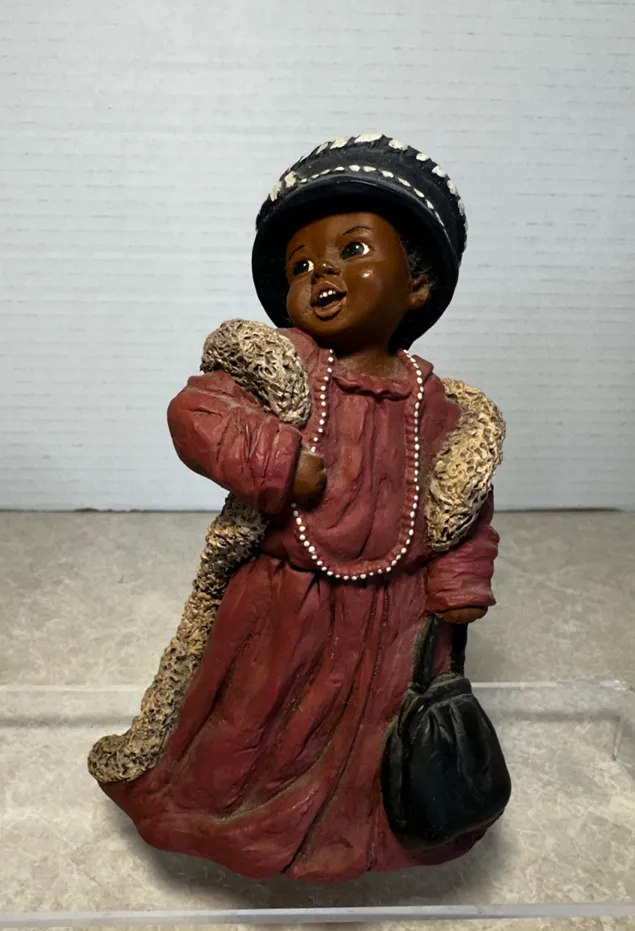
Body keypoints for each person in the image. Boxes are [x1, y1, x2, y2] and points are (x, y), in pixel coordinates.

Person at [88, 135, 505, 883]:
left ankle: (356, 833)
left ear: (417, 284)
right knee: (252, 723)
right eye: (301, 266)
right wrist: (274, 460)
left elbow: (466, 502)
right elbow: (195, 413)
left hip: (396, 618)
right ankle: (231, 819)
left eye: (352, 250)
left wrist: (459, 581)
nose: (322, 274)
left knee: (371, 742)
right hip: (283, 607)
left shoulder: (439, 406)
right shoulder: (279, 367)